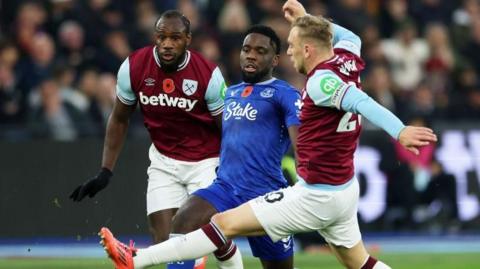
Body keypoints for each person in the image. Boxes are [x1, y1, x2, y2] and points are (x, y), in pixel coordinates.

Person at [98, 1, 438, 269]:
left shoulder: (315, 83)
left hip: (309, 193)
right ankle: (137, 260)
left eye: (291, 45)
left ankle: (137, 260)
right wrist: (305, 18)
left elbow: (358, 100)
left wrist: (400, 130)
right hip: (338, 190)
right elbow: (352, 38)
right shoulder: (345, 56)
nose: (289, 51)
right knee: (360, 263)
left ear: (307, 50)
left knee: (226, 230)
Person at [69, 10, 238, 269]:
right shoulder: (134, 66)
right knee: (165, 244)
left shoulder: (208, 74)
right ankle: (194, 260)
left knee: (201, 234)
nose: (167, 44)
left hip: (206, 161)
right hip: (163, 160)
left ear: (188, 39)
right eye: (161, 37)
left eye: (175, 38)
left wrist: (233, 170)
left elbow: (227, 128)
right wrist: (106, 170)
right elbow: (119, 118)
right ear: (155, 37)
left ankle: (140, 260)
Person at [167, 25, 300, 269]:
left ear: (275, 60)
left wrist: (306, 186)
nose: (251, 55)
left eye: (260, 51)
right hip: (226, 188)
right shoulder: (230, 93)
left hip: (266, 195)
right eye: (246, 49)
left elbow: (301, 141)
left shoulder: (286, 94)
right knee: (183, 220)